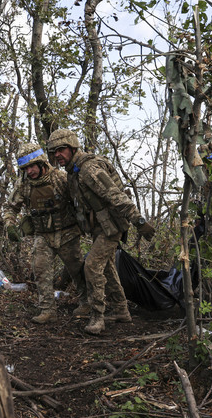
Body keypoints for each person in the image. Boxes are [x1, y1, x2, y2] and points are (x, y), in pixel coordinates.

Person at [47, 129, 156, 335]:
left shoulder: (88, 169)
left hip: (111, 225)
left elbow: (115, 196)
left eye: (61, 150)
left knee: (92, 265)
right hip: (99, 226)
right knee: (107, 267)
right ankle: (121, 310)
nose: (57, 156)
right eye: (54, 152)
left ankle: (98, 316)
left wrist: (139, 221)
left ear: (72, 147)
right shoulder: (73, 172)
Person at [2, 142, 87, 324]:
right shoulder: (24, 185)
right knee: (40, 270)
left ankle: (87, 303)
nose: (30, 171)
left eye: (32, 166)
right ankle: (47, 309)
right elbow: (10, 207)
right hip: (43, 235)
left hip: (67, 232)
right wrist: (10, 224)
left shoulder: (60, 179)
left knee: (77, 270)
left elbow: (80, 201)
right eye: (26, 168)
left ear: (41, 163)